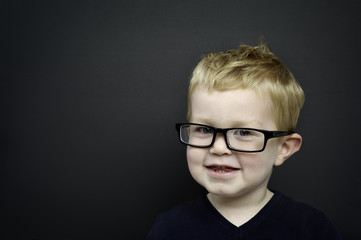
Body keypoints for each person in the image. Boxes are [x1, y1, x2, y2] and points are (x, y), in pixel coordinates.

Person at [146, 41, 341, 239]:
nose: (219, 148)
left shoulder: (313, 229)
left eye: (243, 132)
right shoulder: (169, 229)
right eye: (204, 129)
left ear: (283, 148)